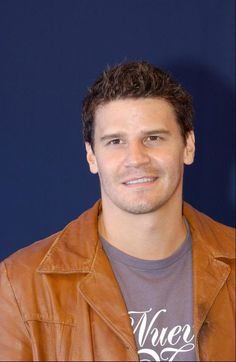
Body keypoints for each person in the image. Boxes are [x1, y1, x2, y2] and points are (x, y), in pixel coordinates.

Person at [0, 61, 235, 362]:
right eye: (115, 141)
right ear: (91, 156)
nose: (135, 158)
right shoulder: (20, 286)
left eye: (153, 138)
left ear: (188, 145)